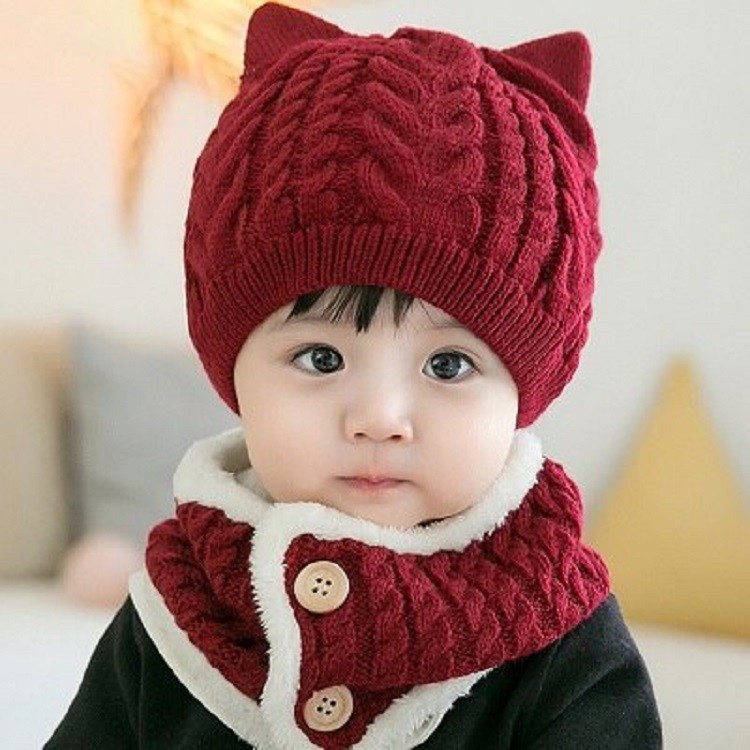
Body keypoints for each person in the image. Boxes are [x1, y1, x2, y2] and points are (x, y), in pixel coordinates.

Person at [47, 3, 662, 748]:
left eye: (448, 365)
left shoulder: (564, 644)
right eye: (321, 358)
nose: (379, 417)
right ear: (231, 369)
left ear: (525, 392)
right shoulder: (176, 614)